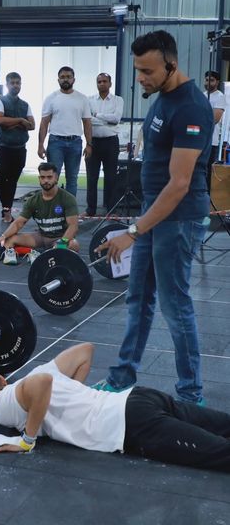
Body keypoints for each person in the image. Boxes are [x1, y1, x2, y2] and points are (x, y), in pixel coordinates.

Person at [92, 30, 214, 405]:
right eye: (138, 70)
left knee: (175, 305)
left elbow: (179, 184)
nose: (141, 78)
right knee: (137, 298)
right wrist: (140, 225)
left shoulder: (191, 107)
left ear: (171, 64)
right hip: (152, 215)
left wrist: (132, 231)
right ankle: (122, 377)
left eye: (147, 70)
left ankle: (190, 395)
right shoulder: (161, 98)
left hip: (178, 220)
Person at [0, 343, 230, 472]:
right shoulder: (39, 370)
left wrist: (26, 441)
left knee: (221, 454)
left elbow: (40, 385)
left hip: (131, 425)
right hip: (140, 398)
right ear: (1, 378)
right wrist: (78, 392)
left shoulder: (2, 405)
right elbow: (85, 351)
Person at [0, 163, 79, 265]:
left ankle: (35, 253)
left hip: (60, 238)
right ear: (39, 179)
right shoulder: (33, 200)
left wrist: (62, 242)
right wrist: (3, 236)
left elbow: (73, 226)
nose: (46, 181)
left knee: (73, 245)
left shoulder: (67, 198)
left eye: (49, 177)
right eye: (43, 177)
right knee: (10, 239)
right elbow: (19, 223)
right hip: (42, 237)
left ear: (56, 178)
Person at [38, 66, 92, 197]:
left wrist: (89, 144)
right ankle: (53, 209)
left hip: (75, 143)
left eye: (68, 77)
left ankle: (70, 212)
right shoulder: (51, 98)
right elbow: (44, 123)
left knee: (72, 179)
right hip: (56, 142)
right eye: (62, 77)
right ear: (58, 80)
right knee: (52, 178)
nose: (65, 79)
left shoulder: (82, 99)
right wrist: (40, 145)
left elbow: (87, 123)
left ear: (74, 79)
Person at [0, 72, 35, 222]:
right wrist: (20, 120)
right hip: (4, 148)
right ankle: (6, 211)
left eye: (18, 83)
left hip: (19, 149)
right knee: (2, 179)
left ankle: (7, 210)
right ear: (7, 85)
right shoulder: (0, 101)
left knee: (12, 181)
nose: (15, 85)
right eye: (13, 83)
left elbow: (32, 125)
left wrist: (11, 123)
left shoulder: (25, 104)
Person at [85, 73, 124, 215]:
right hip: (93, 142)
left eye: (104, 81)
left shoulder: (118, 100)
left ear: (110, 83)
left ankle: (110, 209)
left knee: (111, 177)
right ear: (96, 84)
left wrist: (97, 116)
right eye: (99, 81)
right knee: (91, 177)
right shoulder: (89, 100)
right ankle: (90, 210)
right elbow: (87, 120)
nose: (102, 84)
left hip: (111, 142)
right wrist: (106, 121)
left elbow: (116, 119)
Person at [203, 70, 226, 192]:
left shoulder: (220, 97)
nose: (208, 83)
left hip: (212, 141)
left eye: (211, 80)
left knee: (207, 173)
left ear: (217, 82)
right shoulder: (202, 95)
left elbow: (214, 119)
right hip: (198, 140)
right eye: (206, 80)